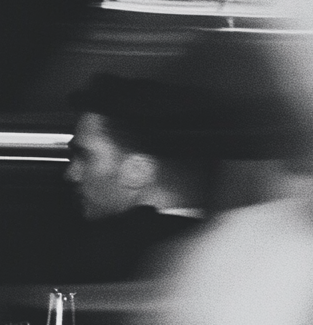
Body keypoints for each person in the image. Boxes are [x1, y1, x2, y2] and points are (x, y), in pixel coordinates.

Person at [62, 72, 208, 283]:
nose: (71, 174)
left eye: (85, 156)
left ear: (138, 171)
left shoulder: (101, 256)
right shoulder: (233, 251)